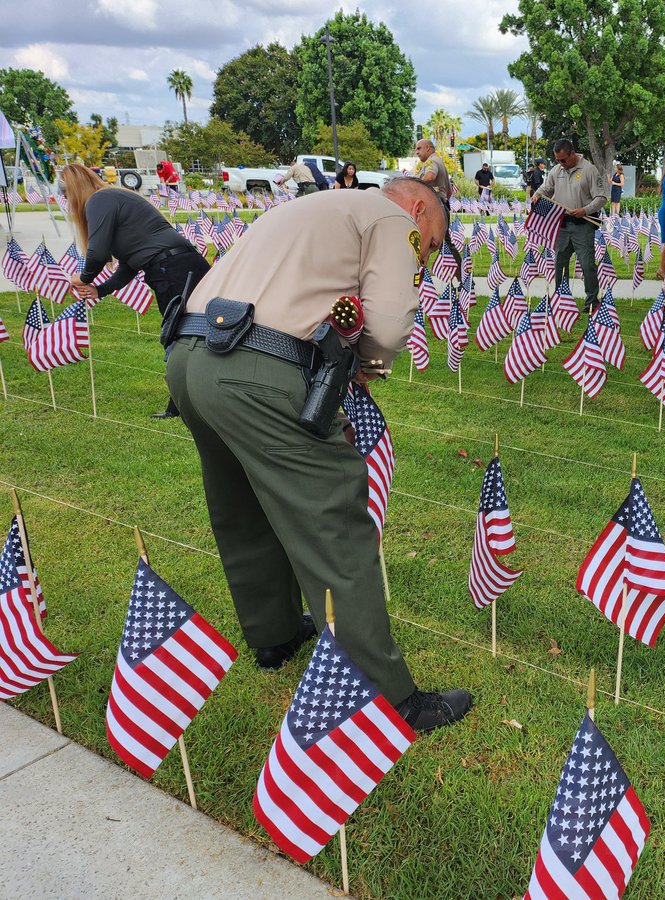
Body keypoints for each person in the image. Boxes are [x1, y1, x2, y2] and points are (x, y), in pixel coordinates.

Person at [164, 179, 472, 733]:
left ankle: (274, 635)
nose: (424, 254)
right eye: (430, 244)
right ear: (420, 208)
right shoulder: (389, 218)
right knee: (335, 518)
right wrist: (370, 367)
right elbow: (390, 318)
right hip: (259, 367)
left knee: (241, 505)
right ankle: (386, 698)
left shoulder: (312, 206)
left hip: (189, 354)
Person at [62, 163, 209, 419]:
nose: (66, 202)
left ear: (73, 190)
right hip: (177, 265)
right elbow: (131, 261)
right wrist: (101, 289)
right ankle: (183, 402)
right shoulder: (114, 197)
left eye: (65, 196)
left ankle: (183, 406)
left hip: (171, 268)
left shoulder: (99, 200)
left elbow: (97, 253)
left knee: (179, 337)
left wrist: (83, 277)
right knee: (189, 335)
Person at [534, 139, 608, 313]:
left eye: (563, 160)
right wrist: (537, 195)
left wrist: (585, 210)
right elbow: (546, 189)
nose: (560, 163)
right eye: (557, 160)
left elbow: (601, 198)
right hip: (562, 224)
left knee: (587, 264)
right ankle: (562, 300)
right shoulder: (556, 170)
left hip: (583, 224)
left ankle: (591, 302)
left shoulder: (589, 170)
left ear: (572, 154)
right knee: (560, 263)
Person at [414, 138, 452, 212]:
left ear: (428, 148)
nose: (417, 152)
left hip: (432, 207)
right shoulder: (439, 161)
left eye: (419, 148)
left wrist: (414, 185)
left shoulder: (431, 161)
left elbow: (430, 177)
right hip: (443, 206)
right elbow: (449, 192)